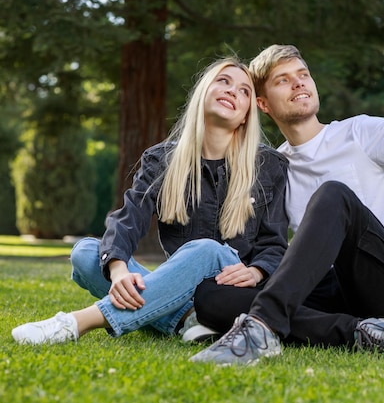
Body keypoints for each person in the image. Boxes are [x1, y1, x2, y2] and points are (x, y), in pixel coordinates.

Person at [190, 5, 384, 365]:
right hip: (332, 291)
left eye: (303, 74)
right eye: (283, 79)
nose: (299, 82)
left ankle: (261, 327)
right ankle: (361, 333)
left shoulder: (358, 132)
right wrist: (253, 271)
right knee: (210, 297)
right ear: (263, 104)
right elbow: (270, 248)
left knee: (333, 195)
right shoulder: (270, 168)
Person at [12, 58, 289, 345]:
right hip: (182, 284)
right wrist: (118, 269)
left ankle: (75, 323)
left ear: (246, 115)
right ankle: (188, 319)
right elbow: (128, 219)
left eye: (244, 91)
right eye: (223, 81)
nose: (232, 91)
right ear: (202, 93)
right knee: (86, 253)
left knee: (207, 250)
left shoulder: (268, 165)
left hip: (231, 286)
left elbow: (275, 244)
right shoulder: (161, 160)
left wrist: (256, 271)